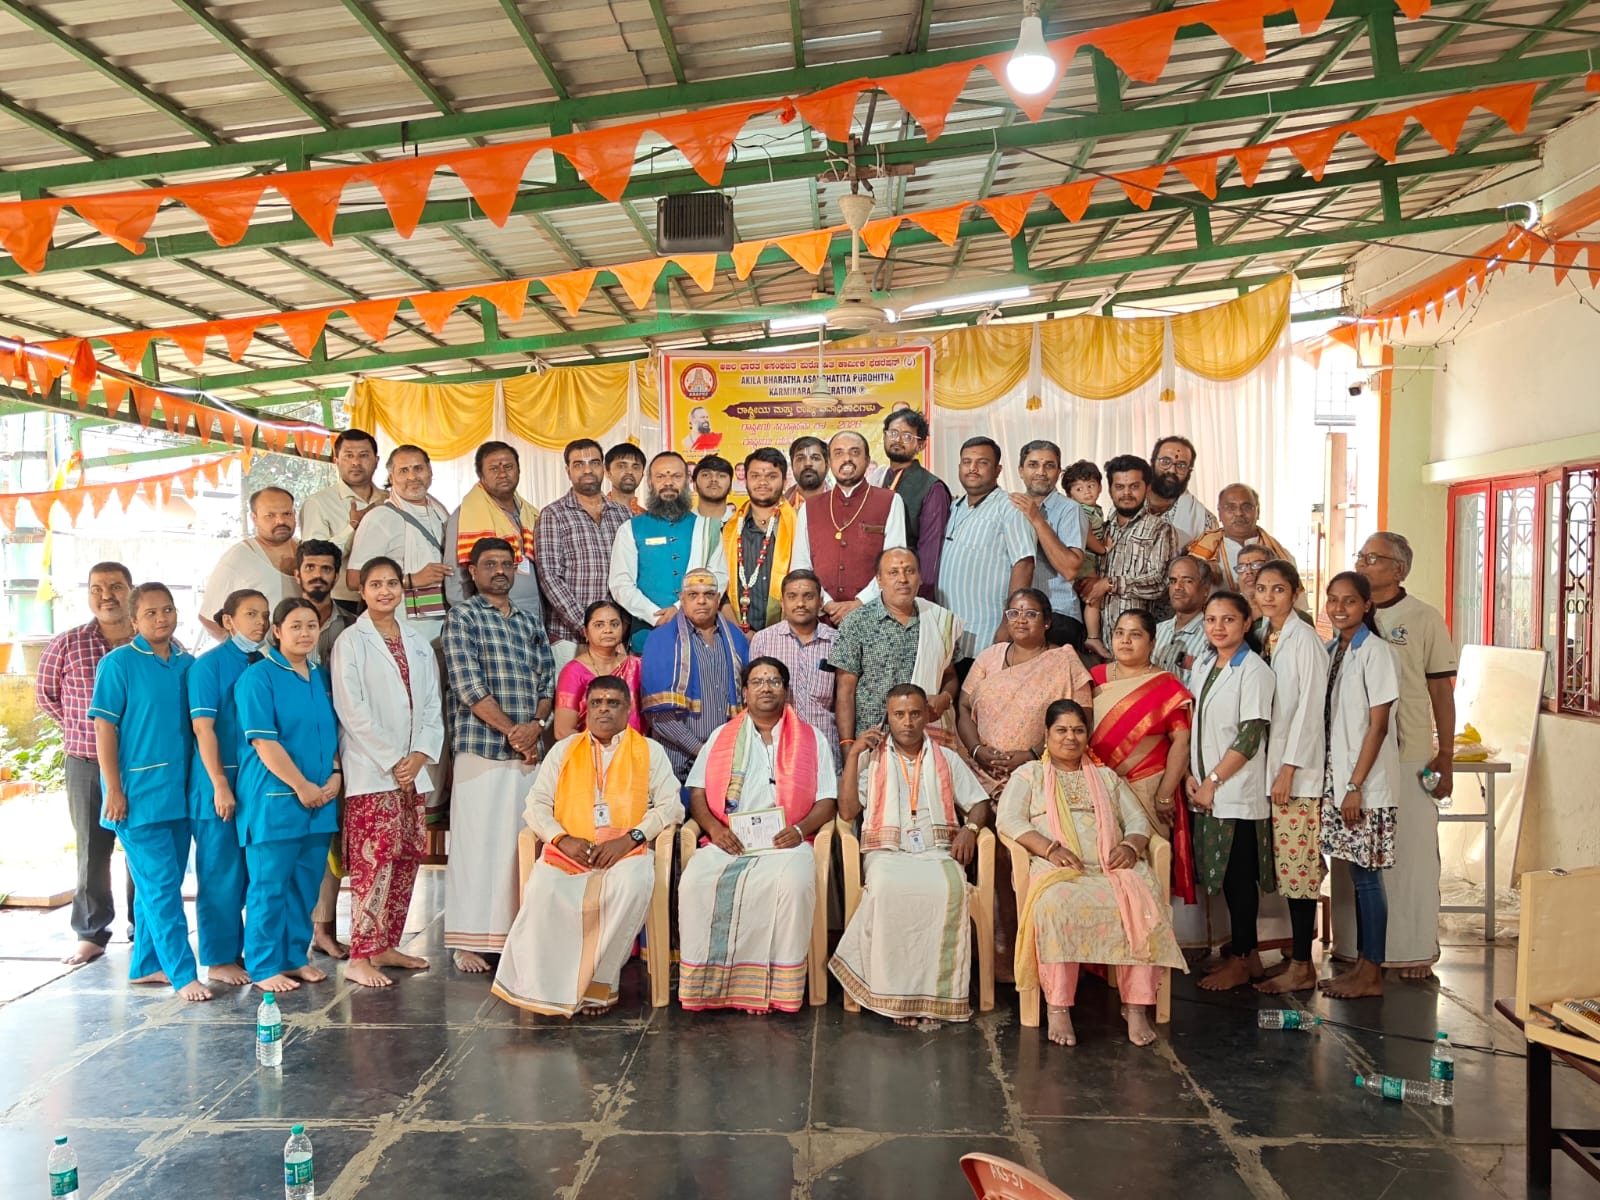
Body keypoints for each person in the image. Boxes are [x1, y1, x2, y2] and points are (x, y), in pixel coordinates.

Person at [491, 675, 683, 1016]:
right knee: (543, 887)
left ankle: (599, 982)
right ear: (586, 709)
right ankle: (543, 987)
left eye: (613, 703)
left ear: (628, 709)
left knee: (632, 882)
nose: (604, 709)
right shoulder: (564, 750)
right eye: (597, 703)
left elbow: (671, 806)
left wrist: (631, 838)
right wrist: (562, 839)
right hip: (569, 852)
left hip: (624, 853)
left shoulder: (649, 751)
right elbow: (536, 804)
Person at [998, 699, 1185, 1047]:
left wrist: (1130, 846)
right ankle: (1058, 1007)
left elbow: (1138, 820)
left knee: (1141, 901)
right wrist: (1050, 849)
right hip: (1058, 870)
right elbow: (1008, 819)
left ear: (1087, 736)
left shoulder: (1106, 777)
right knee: (1055, 905)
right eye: (1061, 730)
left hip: (1111, 869)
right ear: (1046, 735)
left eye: (1078, 730)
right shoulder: (1029, 775)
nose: (1070, 737)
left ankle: (1136, 1006)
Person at [679, 657, 838, 1012]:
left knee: (793, 885)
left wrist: (800, 830)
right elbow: (697, 791)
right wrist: (715, 829)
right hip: (730, 840)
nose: (766, 687)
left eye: (774, 681)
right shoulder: (721, 736)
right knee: (694, 883)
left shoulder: (811, 738)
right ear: (745, 692)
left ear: (786, 690)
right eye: (758, 681)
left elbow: (827, 800)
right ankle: (712, 988)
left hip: (787, 842)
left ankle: (776, 990)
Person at [829, 684, 991, 1025]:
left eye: (915, 714)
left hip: (936, 852)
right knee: (887, 888)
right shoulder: (872, 758)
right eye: (899, 714)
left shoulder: (945, 757)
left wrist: (971, 829)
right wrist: (854, 755)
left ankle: (933, 995)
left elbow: (979, 802)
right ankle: (894, 994)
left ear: (926, 716)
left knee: (949, 889)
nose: (907, 722)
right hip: (886, 852)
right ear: (888, 717)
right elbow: (847, 811)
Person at [441, 537, 557, 973]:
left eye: (507, 563)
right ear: (472, 572)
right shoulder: (462, 617)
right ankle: (467, 940)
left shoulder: (528, 621)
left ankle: (512, 932)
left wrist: (536, 726)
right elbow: (467, 685)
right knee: (476, 844)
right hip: (481, 748)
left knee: (517, 842)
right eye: (489, 564)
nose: (500, 571)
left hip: (526, 752)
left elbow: (547, 681)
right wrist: (513, 731)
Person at [89, 582, 209, 1002]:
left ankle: (146, 965)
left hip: (180, 795)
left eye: (168, 610)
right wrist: (114, 789)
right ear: (134, 620)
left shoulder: (187, 664)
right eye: (151, 613)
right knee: (161, 889)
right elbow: (104, 728)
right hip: (136, 799)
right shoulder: (118, 663)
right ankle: (183, 974)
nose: (162, 619)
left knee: (157, 885)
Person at [330, 556, 445, 989]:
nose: (384, 591)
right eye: (375, 584)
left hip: (411, 772)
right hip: (373, 770)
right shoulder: (351, 641)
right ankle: (360, 955)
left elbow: (431, 703)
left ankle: (385, 945)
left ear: (402, 588)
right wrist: (395, 758)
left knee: (406, 858)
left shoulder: (416, 641)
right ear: (362, 591)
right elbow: (351, 708)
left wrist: (419, 755)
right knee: (373, 861)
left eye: (392, 583)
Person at [1352, 531, 1456, 981]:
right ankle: (1357, 951)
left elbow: (1440, 690)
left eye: (1372, 558)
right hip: (1357, 758)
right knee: (1359, 857)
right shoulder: (1350, 614)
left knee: (1410, 856)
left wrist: (1445, 753)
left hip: (1408, 751)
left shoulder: (1422, 617)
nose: (1362, 563)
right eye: (1360, 556)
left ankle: (1413, 950)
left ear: (1399, 569)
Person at [234, 597, 340, 993]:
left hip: (320, 801)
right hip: (275, 800)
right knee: (269, 886)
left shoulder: (319, 677)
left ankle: (295, 956)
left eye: (311, 625)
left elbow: (330, 733)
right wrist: (301, 785)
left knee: (305, 885)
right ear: (277, 631)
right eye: (295, 626)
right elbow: (264, 742)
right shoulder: (258, 678)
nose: (305, 633)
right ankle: (263, 965)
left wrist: (335, 773)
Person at [36, 561, 136, 964]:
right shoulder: (67, 644)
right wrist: (85, 731)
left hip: (142, 765)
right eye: (97, 588)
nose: (106, 596)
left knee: (144, 847)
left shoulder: (155, 640)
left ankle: (145, 928)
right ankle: (92, 932)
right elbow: (46, 696)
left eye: (116, 587)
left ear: (131, 591)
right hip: (86, 763)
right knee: (92, 848)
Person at [1185, 591, 1276, 991]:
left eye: (1228, 619)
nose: (1218, 627)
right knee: (1223, 876)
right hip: (1206, 789)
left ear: (1246, 623)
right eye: (1211, 620)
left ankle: (1240, 960)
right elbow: (1196, 726)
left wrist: (1212, 781)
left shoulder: (1253, 670)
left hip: (1235, 792)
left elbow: (1249, 736)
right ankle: (1249, 957)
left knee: (1239, 878)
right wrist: (1190, 776)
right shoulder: (1207, 665)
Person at [1318, 571, 1402, 1000]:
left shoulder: (1377, 653)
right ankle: (1363, 967)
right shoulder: (1334, 649)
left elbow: (1378, 726)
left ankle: (1372, 971)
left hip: (1363, 785)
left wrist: (1355, 786)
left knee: (1368, 878)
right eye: (1332, 599)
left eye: (1349, 600)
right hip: (1340, 781)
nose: (1339, 608)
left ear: (1367, 605)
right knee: (1355, 873)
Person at [187, 587, 272, 987]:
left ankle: (255, 951)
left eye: (265, 615)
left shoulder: (266, 663)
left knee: (255, 874)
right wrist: (220, 783)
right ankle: (219, 958)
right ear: (228, 621)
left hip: (255, 784)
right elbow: (203, 729)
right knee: (220, 874)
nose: (261, 622)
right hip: (217, 785)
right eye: (251, 614)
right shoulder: (209, 666)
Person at [1253, 560, 1328, 996]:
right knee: (1288, 868)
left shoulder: (1305, 640)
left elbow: (1309, 710)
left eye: (1278, 589)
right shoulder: (1268, 634)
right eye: (1262, 588)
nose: (1268, 596)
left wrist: (1288, 768)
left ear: (1295, 592)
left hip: (1296, 776)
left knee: (1299, 871)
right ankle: (1296, 958)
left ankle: (1302, 964)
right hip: (1275, 767)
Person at [958, 588, 1092, 796]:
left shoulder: (1065, 661)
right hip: (980, 772)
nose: (1021, 620)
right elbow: (964, 707)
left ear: (1047, 622)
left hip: (1040, 774)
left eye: (1030, 614)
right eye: (1014, 613)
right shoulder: (989, 656)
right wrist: (977, 750)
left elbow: (1084, 718)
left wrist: (1033, 754)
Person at [827, 548, 961, 746]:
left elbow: (949, 675)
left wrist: (946, 697)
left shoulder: (939, 620)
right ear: (879, 580)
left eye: (909, 571)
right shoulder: (856, 622)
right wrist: (848, 745)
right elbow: (845, 691)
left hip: (927, 741)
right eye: (893, 572)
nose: (903, 579)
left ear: (920, 578)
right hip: (874, 742)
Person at [1089, 610, 1194, 845]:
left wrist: (1165, 794)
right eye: (1119, 633)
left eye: (1135, 635)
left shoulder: (1166, 684)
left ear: (1152, 643)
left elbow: (1181, 743)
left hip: (1148, 788)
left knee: (1150, 853)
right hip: (1100, 785)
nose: (1125, 640)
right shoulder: (1095, 676)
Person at [609, 450, 727, 653]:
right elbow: (620, 584)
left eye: (676, 476)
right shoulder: (629, 529)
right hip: (648, 635)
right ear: (649, 482)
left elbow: (718, 578)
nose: (668, 483)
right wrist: (654, 614)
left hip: (699, 634)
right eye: (661, 476)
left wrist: (680, 610)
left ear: (687, 481)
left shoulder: (708, 529)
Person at [295, 537, 351, 959]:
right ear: (297, 573)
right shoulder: (283, 621)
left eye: (326, 569)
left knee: (331, 840)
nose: (318, 576)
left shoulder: (352, 625)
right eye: (310, 568)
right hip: (294, 746)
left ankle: (324, 928)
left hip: (344, 741)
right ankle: (286, 937)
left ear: (336, 574)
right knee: (293, 842)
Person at [640, 569, 750, 778]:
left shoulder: (736, 639)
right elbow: (658, 714)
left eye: (708, 594)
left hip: (728, 759)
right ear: (682, 599)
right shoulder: (660, 640)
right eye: (693, 595)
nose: (701, 601)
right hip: (677, 761)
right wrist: (701, 750)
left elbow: (747, 704)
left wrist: (723, 753)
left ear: (718, 599)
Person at [790, 431, 907, 625]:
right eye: (838, 453)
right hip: (822, 620)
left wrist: (859, 603)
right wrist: (827, 604)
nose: (847, 459)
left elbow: (894, 565)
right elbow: (801, 567)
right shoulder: (809, 508)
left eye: (854, 452)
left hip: (874, 618)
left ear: (867, 460)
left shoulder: (890, 501)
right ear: (829, 462)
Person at [937, 437, 1035, 664]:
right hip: (949, 636)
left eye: (982, 462)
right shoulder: (954, 507)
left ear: (998, 470)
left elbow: (1024, 564)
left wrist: (1008, 623)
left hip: (987, 635)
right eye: (966, 462)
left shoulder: (1010, 507)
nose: (972, 468)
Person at [538, 438, 632, 671]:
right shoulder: (553, 514)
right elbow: (550, 577)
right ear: (568, 471)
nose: (588, 470)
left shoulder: (623, 514)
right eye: (579, 464)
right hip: (570, 638)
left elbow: (632, 573)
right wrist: (587, 627)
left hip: (617, 638)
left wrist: (616, 629)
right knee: (572, 695)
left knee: (617, 695)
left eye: (594, 463)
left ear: (604, 468)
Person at [350, 445, 452, 645]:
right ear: (391, 477)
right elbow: (354, 579)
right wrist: (411, 580)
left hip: (444, 627)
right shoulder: (379, 517)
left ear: (430, 471)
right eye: (403, 471)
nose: (412, 477)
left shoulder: (440, 511)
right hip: (401, 631)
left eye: (418, 468)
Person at [444, 440, 543, 619]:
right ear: (481, 475)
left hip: (536, 615)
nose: (502, 474)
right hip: (492, 618)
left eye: (508, 467)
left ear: (519, 470)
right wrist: (471, 618)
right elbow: (455, 578)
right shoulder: (465, 515)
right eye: (494, 469)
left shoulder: (531, 513)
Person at [750, 569, 839, 759]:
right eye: (792, 597)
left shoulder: (837, 641)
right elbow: (754, 699)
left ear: (821, 602)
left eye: (808, 596)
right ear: (782, 602)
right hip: (776, 752)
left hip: (824, 751)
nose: (800, 603)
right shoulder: (763, 640)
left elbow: (845, 701)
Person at [1009, 440, 1086, 648]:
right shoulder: (1010, 508)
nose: (1041, 472)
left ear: (1058, 472)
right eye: (1033, 465)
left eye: (1049, 466)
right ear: (1021, 470)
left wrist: (1037, 519)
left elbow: (1070, 569)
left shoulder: (1070, 509)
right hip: (1017, 615)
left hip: (1057, 614)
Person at [1088, 455, 1179, 632]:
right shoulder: (1101, 530)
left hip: (1139, 637)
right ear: (1110, 490)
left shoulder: (1160, 529)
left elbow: (1160, 583)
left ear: (1148, 488)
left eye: (1134, 486)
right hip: (1097, 637)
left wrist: (1111, 583)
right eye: (1119, 487)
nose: (1126, 493)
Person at [301, 428, 385, 616]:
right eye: (348, 455)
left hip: (388, 598)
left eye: (364, 455)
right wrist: (353, 526)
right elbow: (315, 561)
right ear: (336, 460)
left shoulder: (389, 501)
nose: (356, 462)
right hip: (342, 602)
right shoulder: (319, 503)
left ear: (376, 461)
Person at [199, 487, 300, 642]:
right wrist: (242, 653)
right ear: (254, 518)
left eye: (286, 513)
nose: (280, 521)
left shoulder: (309, 554)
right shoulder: (238, 557)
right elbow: (209, 619)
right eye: (270, 515)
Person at [719, 447, 795, 635]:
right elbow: (718, 586)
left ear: (785, 481)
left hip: (789, 635)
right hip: (738, 636)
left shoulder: (800, 527)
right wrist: (739, 633)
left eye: (771, 476)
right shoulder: (728, 531)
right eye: (755, 476)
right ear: (745, 480)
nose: (762, 482)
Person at [878, 410, 949, 598]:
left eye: (907, 436)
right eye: (893, 433)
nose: (898, 440)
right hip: (876, 588)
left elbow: (930, 553)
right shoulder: (877, 479)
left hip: (907, 592)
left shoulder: (932, 488)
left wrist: (917, 599)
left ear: (921, 445)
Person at [553, 600, 643, 737]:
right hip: (588, 748)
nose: (608, 630)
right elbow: (562, 731)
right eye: (599, 625)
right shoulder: (574, 672)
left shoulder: (636, 666)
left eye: (614, 624)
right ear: (586, 632)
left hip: (635, 747)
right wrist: (605, 748)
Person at [1188, 484, 1296, 589]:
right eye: (1231, 507)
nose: (1239, 513)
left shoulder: (1282, 556)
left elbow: (1295, 598)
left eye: (1246, 507)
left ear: (1258, 512)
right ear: (1220, 514)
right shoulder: (1200, 557)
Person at [1062, 460, 1112, 658]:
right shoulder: (1080, 511)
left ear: (1100, 487)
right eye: (1079, 489)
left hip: (1089, 558)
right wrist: (1103, 549)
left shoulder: (1095, 509)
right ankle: (1093, 637)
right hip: (1085, 559)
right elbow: (1087, 535)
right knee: (1094, 594)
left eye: (1091, 486)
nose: (1087, 492)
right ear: (1070, 494)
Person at [1144, 436, 1219, 548]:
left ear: (1189, 471)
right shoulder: (1125, 504)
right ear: (1152, 462)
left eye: (1181, 465)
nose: (1172, 470)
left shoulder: (1205, 522)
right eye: (1165, 461)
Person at [1153, 555, 1214, 689]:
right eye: (1173, 581)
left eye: (1187, 581)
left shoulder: (1212, 637)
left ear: (1205, 590)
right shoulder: (1156, 631)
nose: (1178, 587)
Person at [691, 454, 735, 535]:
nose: (714, 479)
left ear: (730, 487)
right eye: (706, 475)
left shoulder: (742, 526)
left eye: (721, 476)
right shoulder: (681, 527)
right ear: (694, 485)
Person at [1235, 543, 1273, 623]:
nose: (1248, 571)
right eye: (1241, 567)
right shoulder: (1231, 608)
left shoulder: (1284, 611)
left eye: (1257, 565)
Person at [605, 442, 647, 514]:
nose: (629, 472)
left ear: (642, 475)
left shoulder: (647, 517)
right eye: (621, 466)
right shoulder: (594, 514)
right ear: (607, 472)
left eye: (635, 467)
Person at [786, 435, 829, 507]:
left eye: (815, 458)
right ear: (792, 466)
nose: (808, 464)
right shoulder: (778, 506)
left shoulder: (842, 504)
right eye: (800, 459)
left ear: (827, 466)